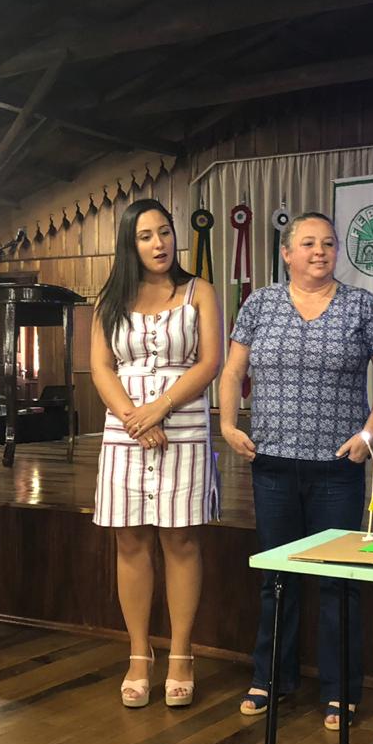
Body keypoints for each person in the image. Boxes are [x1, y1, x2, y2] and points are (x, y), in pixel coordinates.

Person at [221, 211, 373, 730]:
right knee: (276, 577)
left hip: (336, 467)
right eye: (307, 243)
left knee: (337, 581)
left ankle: (340, 689)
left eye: (327, 243)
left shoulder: (362, 305)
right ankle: (271, 677)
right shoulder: (259, 304)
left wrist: (369, 434)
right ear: (286, 254)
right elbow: (233, 371)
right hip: (271, 465)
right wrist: (229, 424)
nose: (319, 251)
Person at [92, 198, 223, 710]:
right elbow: (101, 367)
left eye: (164, 232)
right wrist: (133, 417)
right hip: (125, 429)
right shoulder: (110, 299)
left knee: (181, 541)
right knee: (129, 541)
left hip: (182, 425)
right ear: (130, 243)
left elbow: (210, 362)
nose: (158, 243)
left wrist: (159, 408)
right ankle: (138, 654)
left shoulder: (199, 291)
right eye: (145, 235)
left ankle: (182, 655)